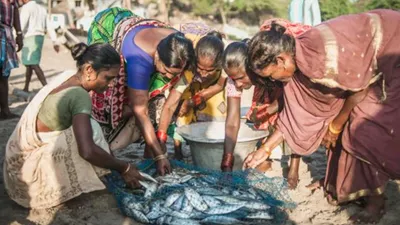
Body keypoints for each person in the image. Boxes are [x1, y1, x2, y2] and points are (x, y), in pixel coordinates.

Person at [243, 9, 400, 223]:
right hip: (365, 68)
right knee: (340, 125)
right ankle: (340, 185)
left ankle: (376, 203)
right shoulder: (297, 62)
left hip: (391, 48)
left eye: (271, 75)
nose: (273, 82)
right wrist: (265, 149)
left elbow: (358, 91)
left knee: (362, 128)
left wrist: (335, 126)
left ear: (281, 60)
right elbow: (296, 115)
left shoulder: (320, 60)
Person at [4, 43, 145, 209]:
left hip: (14, 167)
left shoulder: (67, 77)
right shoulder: (79, 95)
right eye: (108, 78)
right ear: (89, 71)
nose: (112, 84)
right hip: (29, 179)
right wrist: (124, 167)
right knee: (89, 135)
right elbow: (87, 151)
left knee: (89, 127)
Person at [87, 8, 199, 174]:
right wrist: (160, 156)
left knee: (156, 98)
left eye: (173, 74)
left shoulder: (180, 48)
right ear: (157, 56)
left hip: (136, 29)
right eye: (166, 71)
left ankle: (149, 149)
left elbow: (170, 102)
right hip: (107, 28)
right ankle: (103, 152)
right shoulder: (139, 59)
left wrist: (158, 143)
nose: (168, 77)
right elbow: (140, 110)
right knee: (108, 103)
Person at [158, 31, 228, 160]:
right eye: (200, 68)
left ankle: (209, 148)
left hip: (214, 90)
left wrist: (193, 102)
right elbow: (169, 105)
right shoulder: (190, 68)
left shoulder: (225, 66)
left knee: (215, 114)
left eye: (209, 70)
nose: (203, 74)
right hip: (191, 87)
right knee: (181, 112)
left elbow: (219, 86)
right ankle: (178, 150)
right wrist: (160, 140)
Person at [20, 0, 60, 92]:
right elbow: (49, 26)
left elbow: (21, 25)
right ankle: (26, 87)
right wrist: (54, 41)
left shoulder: (27, 7)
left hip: (29, 37)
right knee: (29, 64)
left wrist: (15, 37)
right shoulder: (42, 8)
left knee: (33, 63)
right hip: (40, 37)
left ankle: (46, 87)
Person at [0, 0, 23, 120]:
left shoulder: (12, 2)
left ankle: (4, 111)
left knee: (4, 74)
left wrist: (19, 34)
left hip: (6, 35)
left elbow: (16, 13)